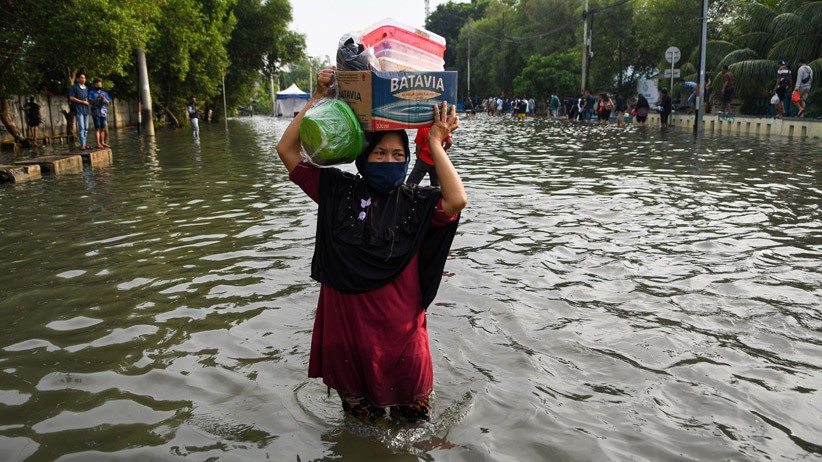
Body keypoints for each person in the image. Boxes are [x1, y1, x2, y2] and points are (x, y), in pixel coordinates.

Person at [275, 67, 466, 423]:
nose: (389, 161)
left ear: (408, 159)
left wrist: (435, 145)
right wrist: (318, 98)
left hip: (403, 341)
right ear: (364, 158)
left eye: (398, 155)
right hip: (350, 341)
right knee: (360, 427)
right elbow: (286, 149)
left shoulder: (416, 202)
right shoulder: (337, 190)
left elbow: (457, 200)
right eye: (380, 153)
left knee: (414, 429)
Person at [68, 73, 91, 150]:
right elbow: (71, 98)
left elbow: (86, 97)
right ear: (78, 79)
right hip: (78, 109)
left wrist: (87, 102)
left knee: (86, 128)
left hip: (86, 110)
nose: (83, 79)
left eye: (84, 78)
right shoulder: (74, 87)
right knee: (81, 127)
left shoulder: (86, 88)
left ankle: (84, 143)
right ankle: (82, 144)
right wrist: (82, 102)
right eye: (81, 78)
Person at [88, 79, 111, 148]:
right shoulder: (91, 92)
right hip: (95, 112)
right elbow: (91, 102)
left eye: (100, 85)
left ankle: (103, 142)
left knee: (103, 128)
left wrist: (104, 99)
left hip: (103, 112)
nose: (99, 86)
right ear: (94, 85)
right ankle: (98, 143)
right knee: (97, 127)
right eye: (97, 85)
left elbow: (109, 103)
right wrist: (98, 97)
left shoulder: (104, 93)